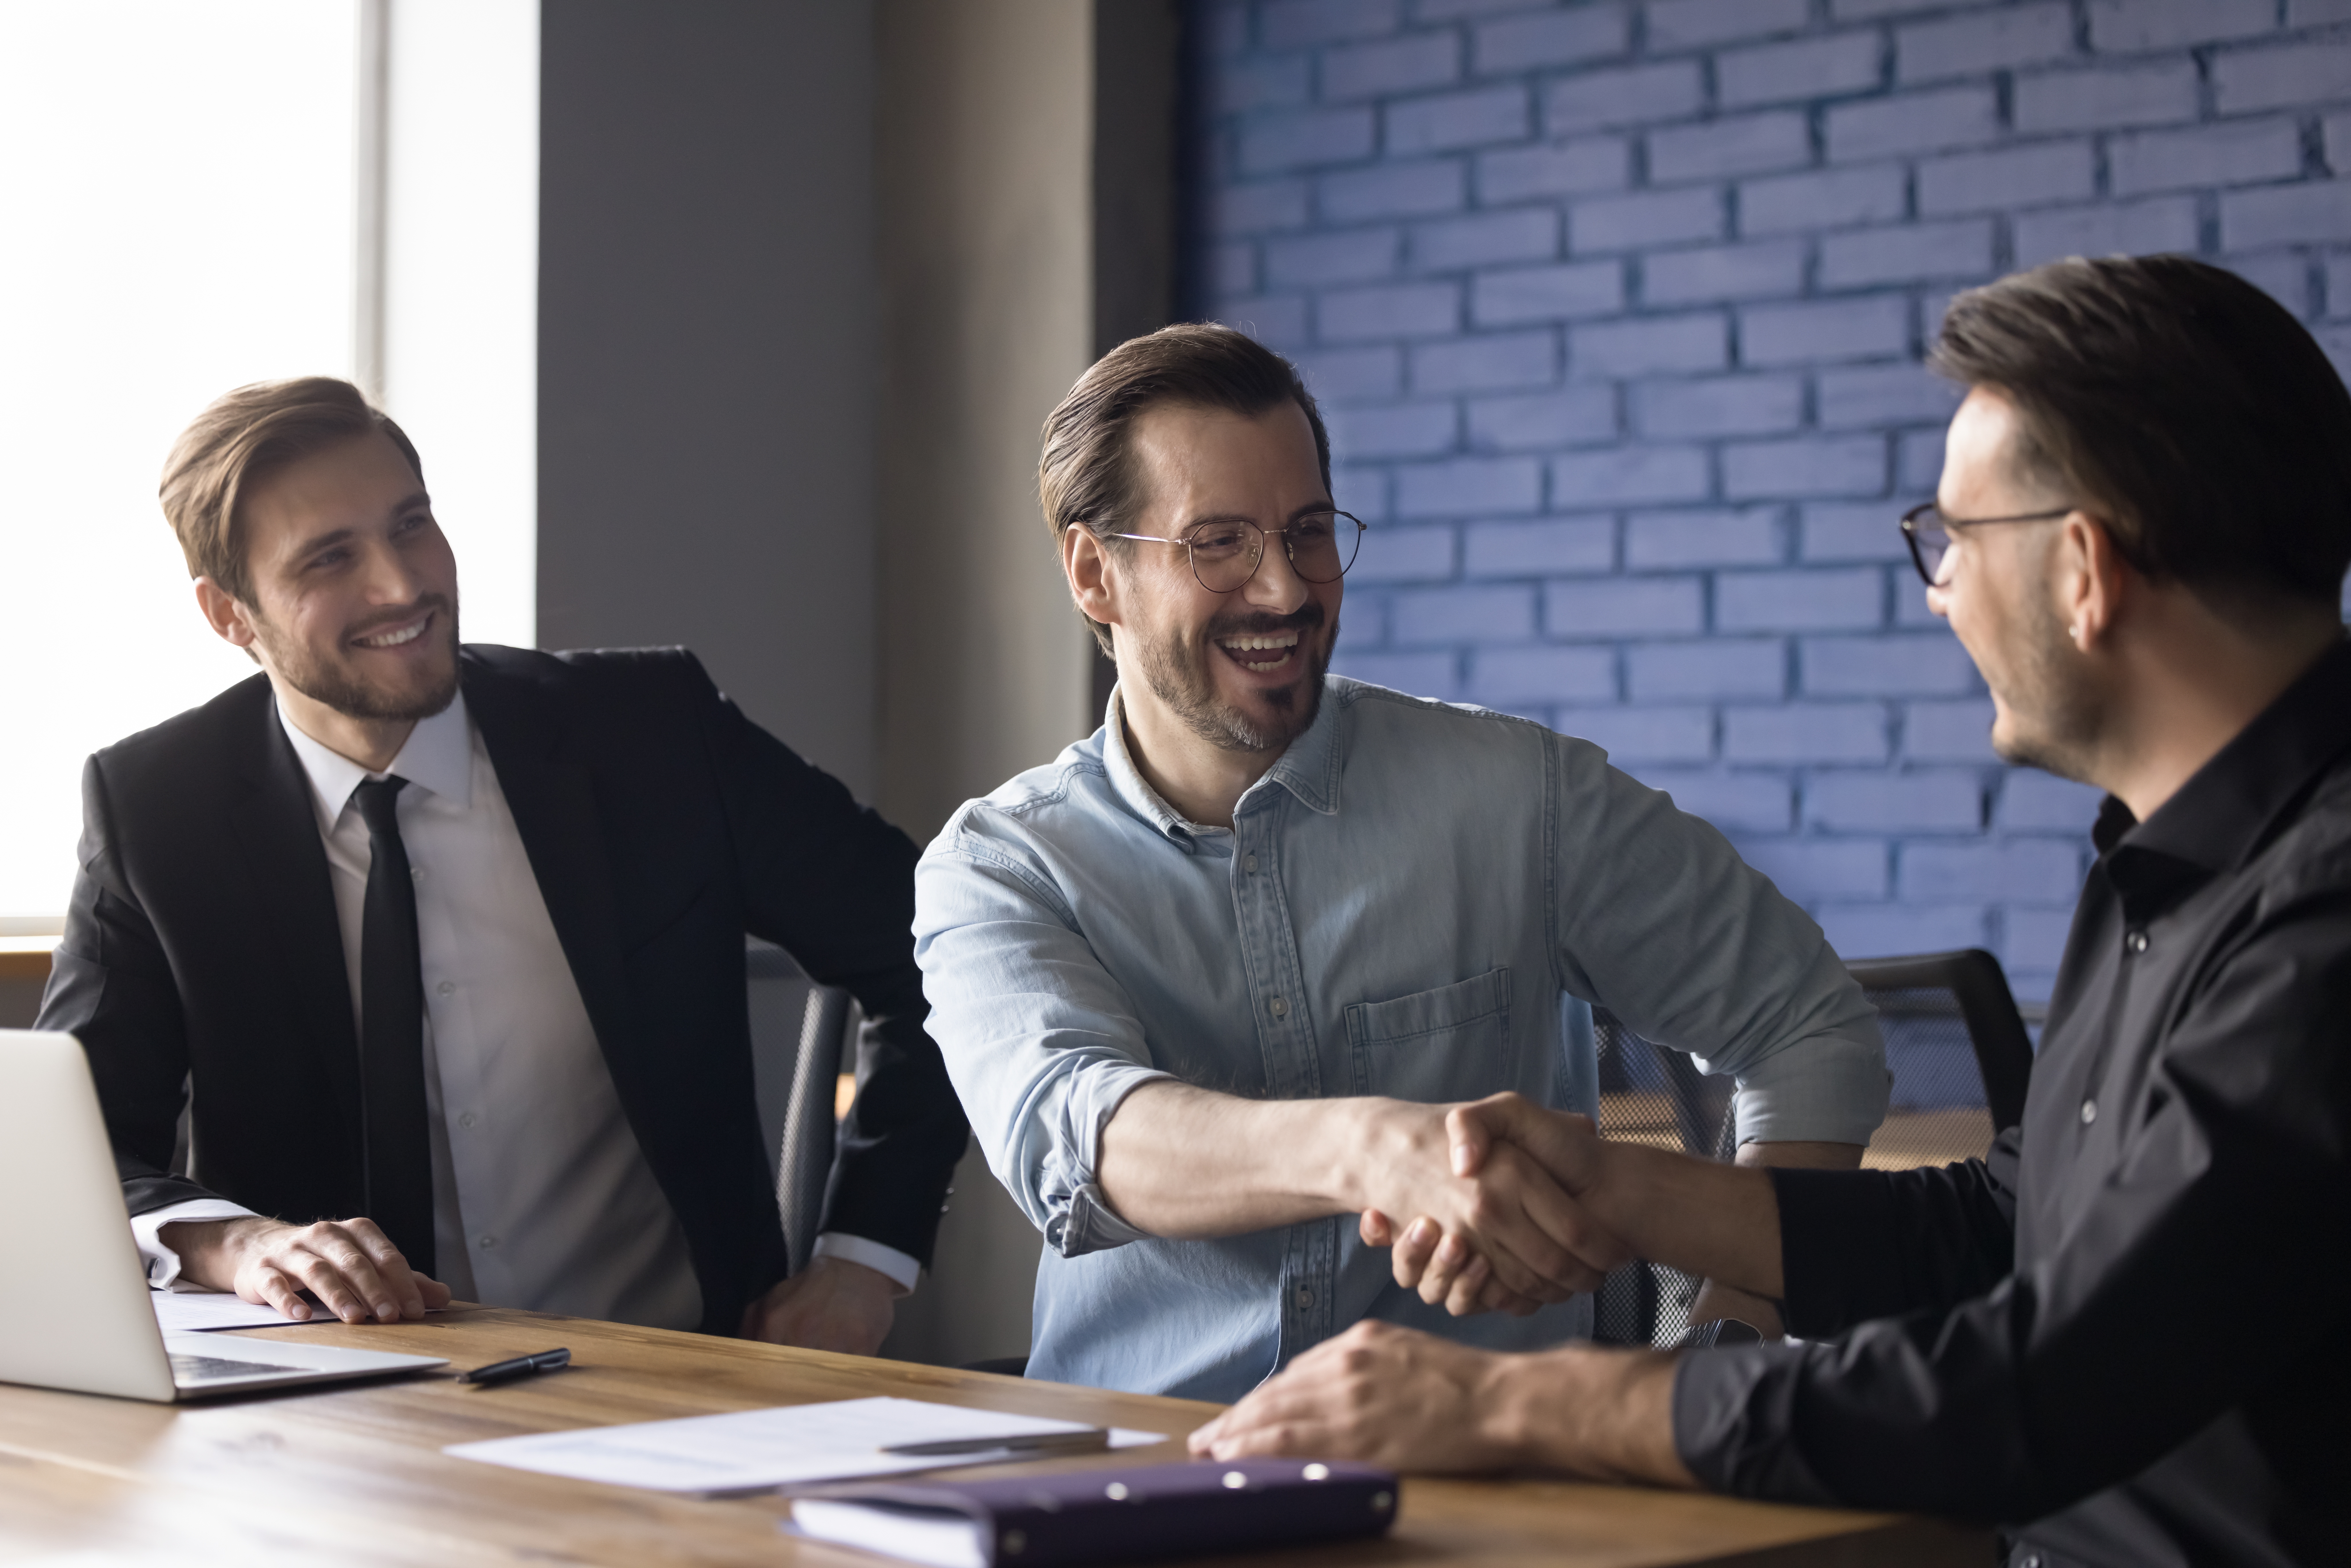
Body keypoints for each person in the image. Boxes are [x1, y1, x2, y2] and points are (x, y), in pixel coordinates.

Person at [1192, 256, 2351, 1566]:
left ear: (2082, 568)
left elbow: (2051, 1378)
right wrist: (1623, 1191)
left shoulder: (2321, 916)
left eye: (1953, 540)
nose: (1938, 590)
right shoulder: (2165, 871)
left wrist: (1510, 1398)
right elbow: (1991, 1232)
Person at [911, 325, 1890, 1400]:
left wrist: (1730, 1337)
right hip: (1137, 1474)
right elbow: (1081, 1140)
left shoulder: (1523, 796)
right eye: (1221, 542)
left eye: (1310, 531)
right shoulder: (1004, 867)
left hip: (1488, 1481)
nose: (1284, 588)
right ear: (1098, 574)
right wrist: (1380, 1150)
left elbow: (1809, 1026)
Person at [38, 377, 966, 1353]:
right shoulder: (157, 809)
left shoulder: (654, 734)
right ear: (231, 616)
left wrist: (864, 1262)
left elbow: (947, 949)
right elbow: (78, 1144)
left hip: (681, 1373)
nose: (401, 586)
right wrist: (238, 1244)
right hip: (335, 1405)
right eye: (330, 558)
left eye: (412, 525)